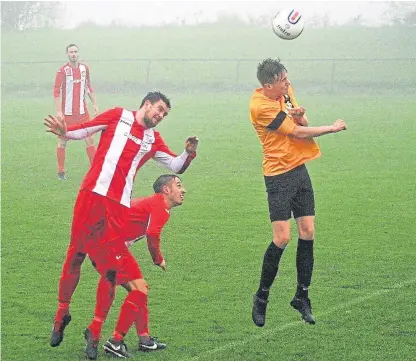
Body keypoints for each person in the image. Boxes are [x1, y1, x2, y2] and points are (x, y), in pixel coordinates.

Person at [44, 91, 199, 348]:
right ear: (146, 104)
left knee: (111, 271)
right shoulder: (118, 115)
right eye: (159, 109)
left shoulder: (153, 139)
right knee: (75, 255)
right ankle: (62, 314)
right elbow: (83, 130)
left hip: (117, 208)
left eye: (164, 114)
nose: (160, 116)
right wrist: (64, 130)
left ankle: (94, 333)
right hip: (91, 196)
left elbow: (175, 166)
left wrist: (189, 153)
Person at [249, 58, 347, 327]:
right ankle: (262, 296)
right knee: (282, 238)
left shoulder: (285, 92)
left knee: (308, 231)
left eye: (287, 78)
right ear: (269, 85)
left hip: (299, 170)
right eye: (283, 81)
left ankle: (302, 296)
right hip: (278, 175)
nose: (288, 83)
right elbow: (297, 133)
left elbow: (301, 123)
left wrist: (302, 115)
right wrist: (332, 128)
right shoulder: (260, 107)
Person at [83, 174, 186, 359]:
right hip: (107, 245)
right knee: (140, 290)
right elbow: (152, 233)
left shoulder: (153, 203)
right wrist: (158, 259)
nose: (183, 190)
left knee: (139, 289)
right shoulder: (160, 206)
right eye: (178, 185)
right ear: (166, 190)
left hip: (104, 243)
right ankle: (115, 342)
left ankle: (143, 339)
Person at [54, 43, 99, 180]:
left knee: (90, 139)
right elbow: (56, 91)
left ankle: (95, 171)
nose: (73, 54)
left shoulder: (85, 69)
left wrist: (95, 104)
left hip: (82, 113)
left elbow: (89, 87)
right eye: (71, 52)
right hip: (67, 114)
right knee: (63, 141)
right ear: (67, 54)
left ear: (78, 53)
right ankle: (61, 172)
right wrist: (58, 111)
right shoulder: (62, 71)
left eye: (75, 51)